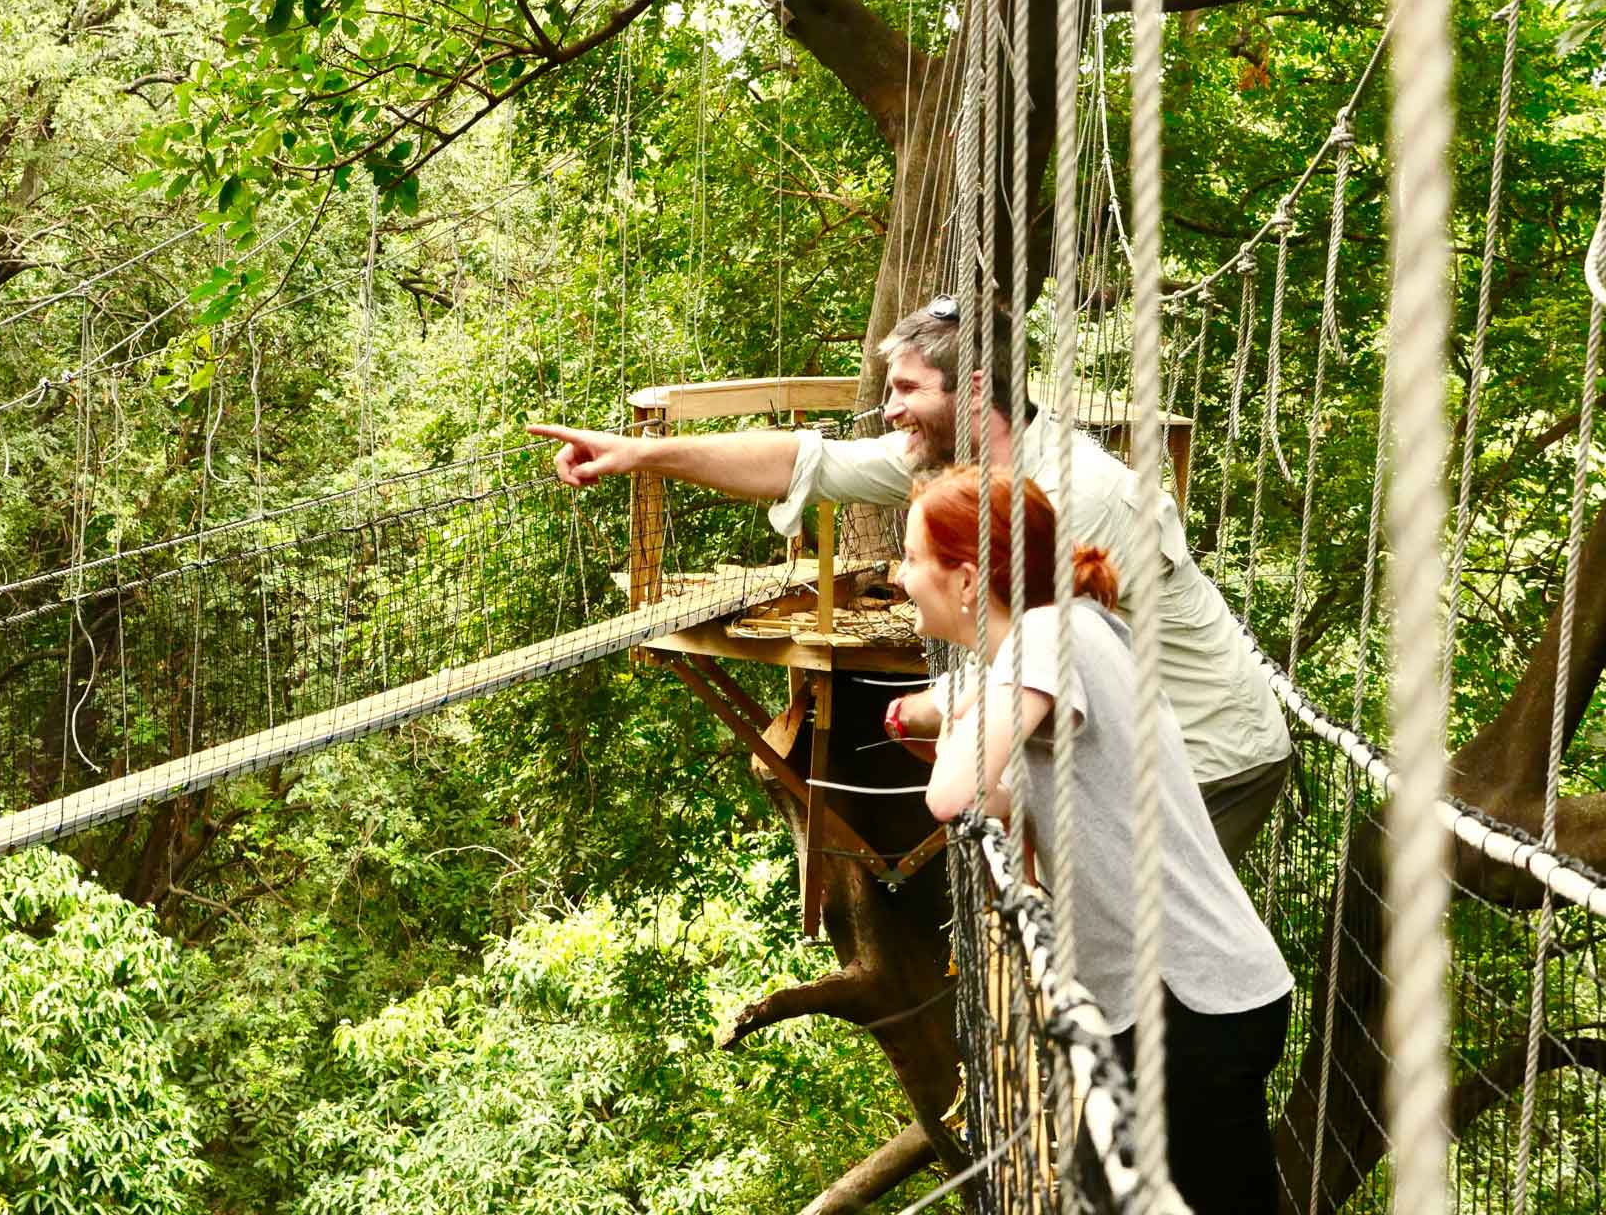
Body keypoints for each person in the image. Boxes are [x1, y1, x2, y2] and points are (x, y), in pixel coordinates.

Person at [528, 295, 1293, 865]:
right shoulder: (965, 466)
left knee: (1120, 968)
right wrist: (638, 454)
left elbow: (1055, 657)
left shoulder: (1069, 494)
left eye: (905, 389)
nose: (888, 409)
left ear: (975, 389)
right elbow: (803, 463)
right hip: (1129, 733)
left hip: (1207, 754)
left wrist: (925, 710)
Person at [903, 466, 1292, 1215]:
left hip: (1188, 1007)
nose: (900, 576)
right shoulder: (1066, 628)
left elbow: (951, 794)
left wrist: (951, 717)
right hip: (1177, 1003)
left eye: (914, 558)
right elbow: (1000, 796)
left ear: (965, 577)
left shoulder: (1047, 636)